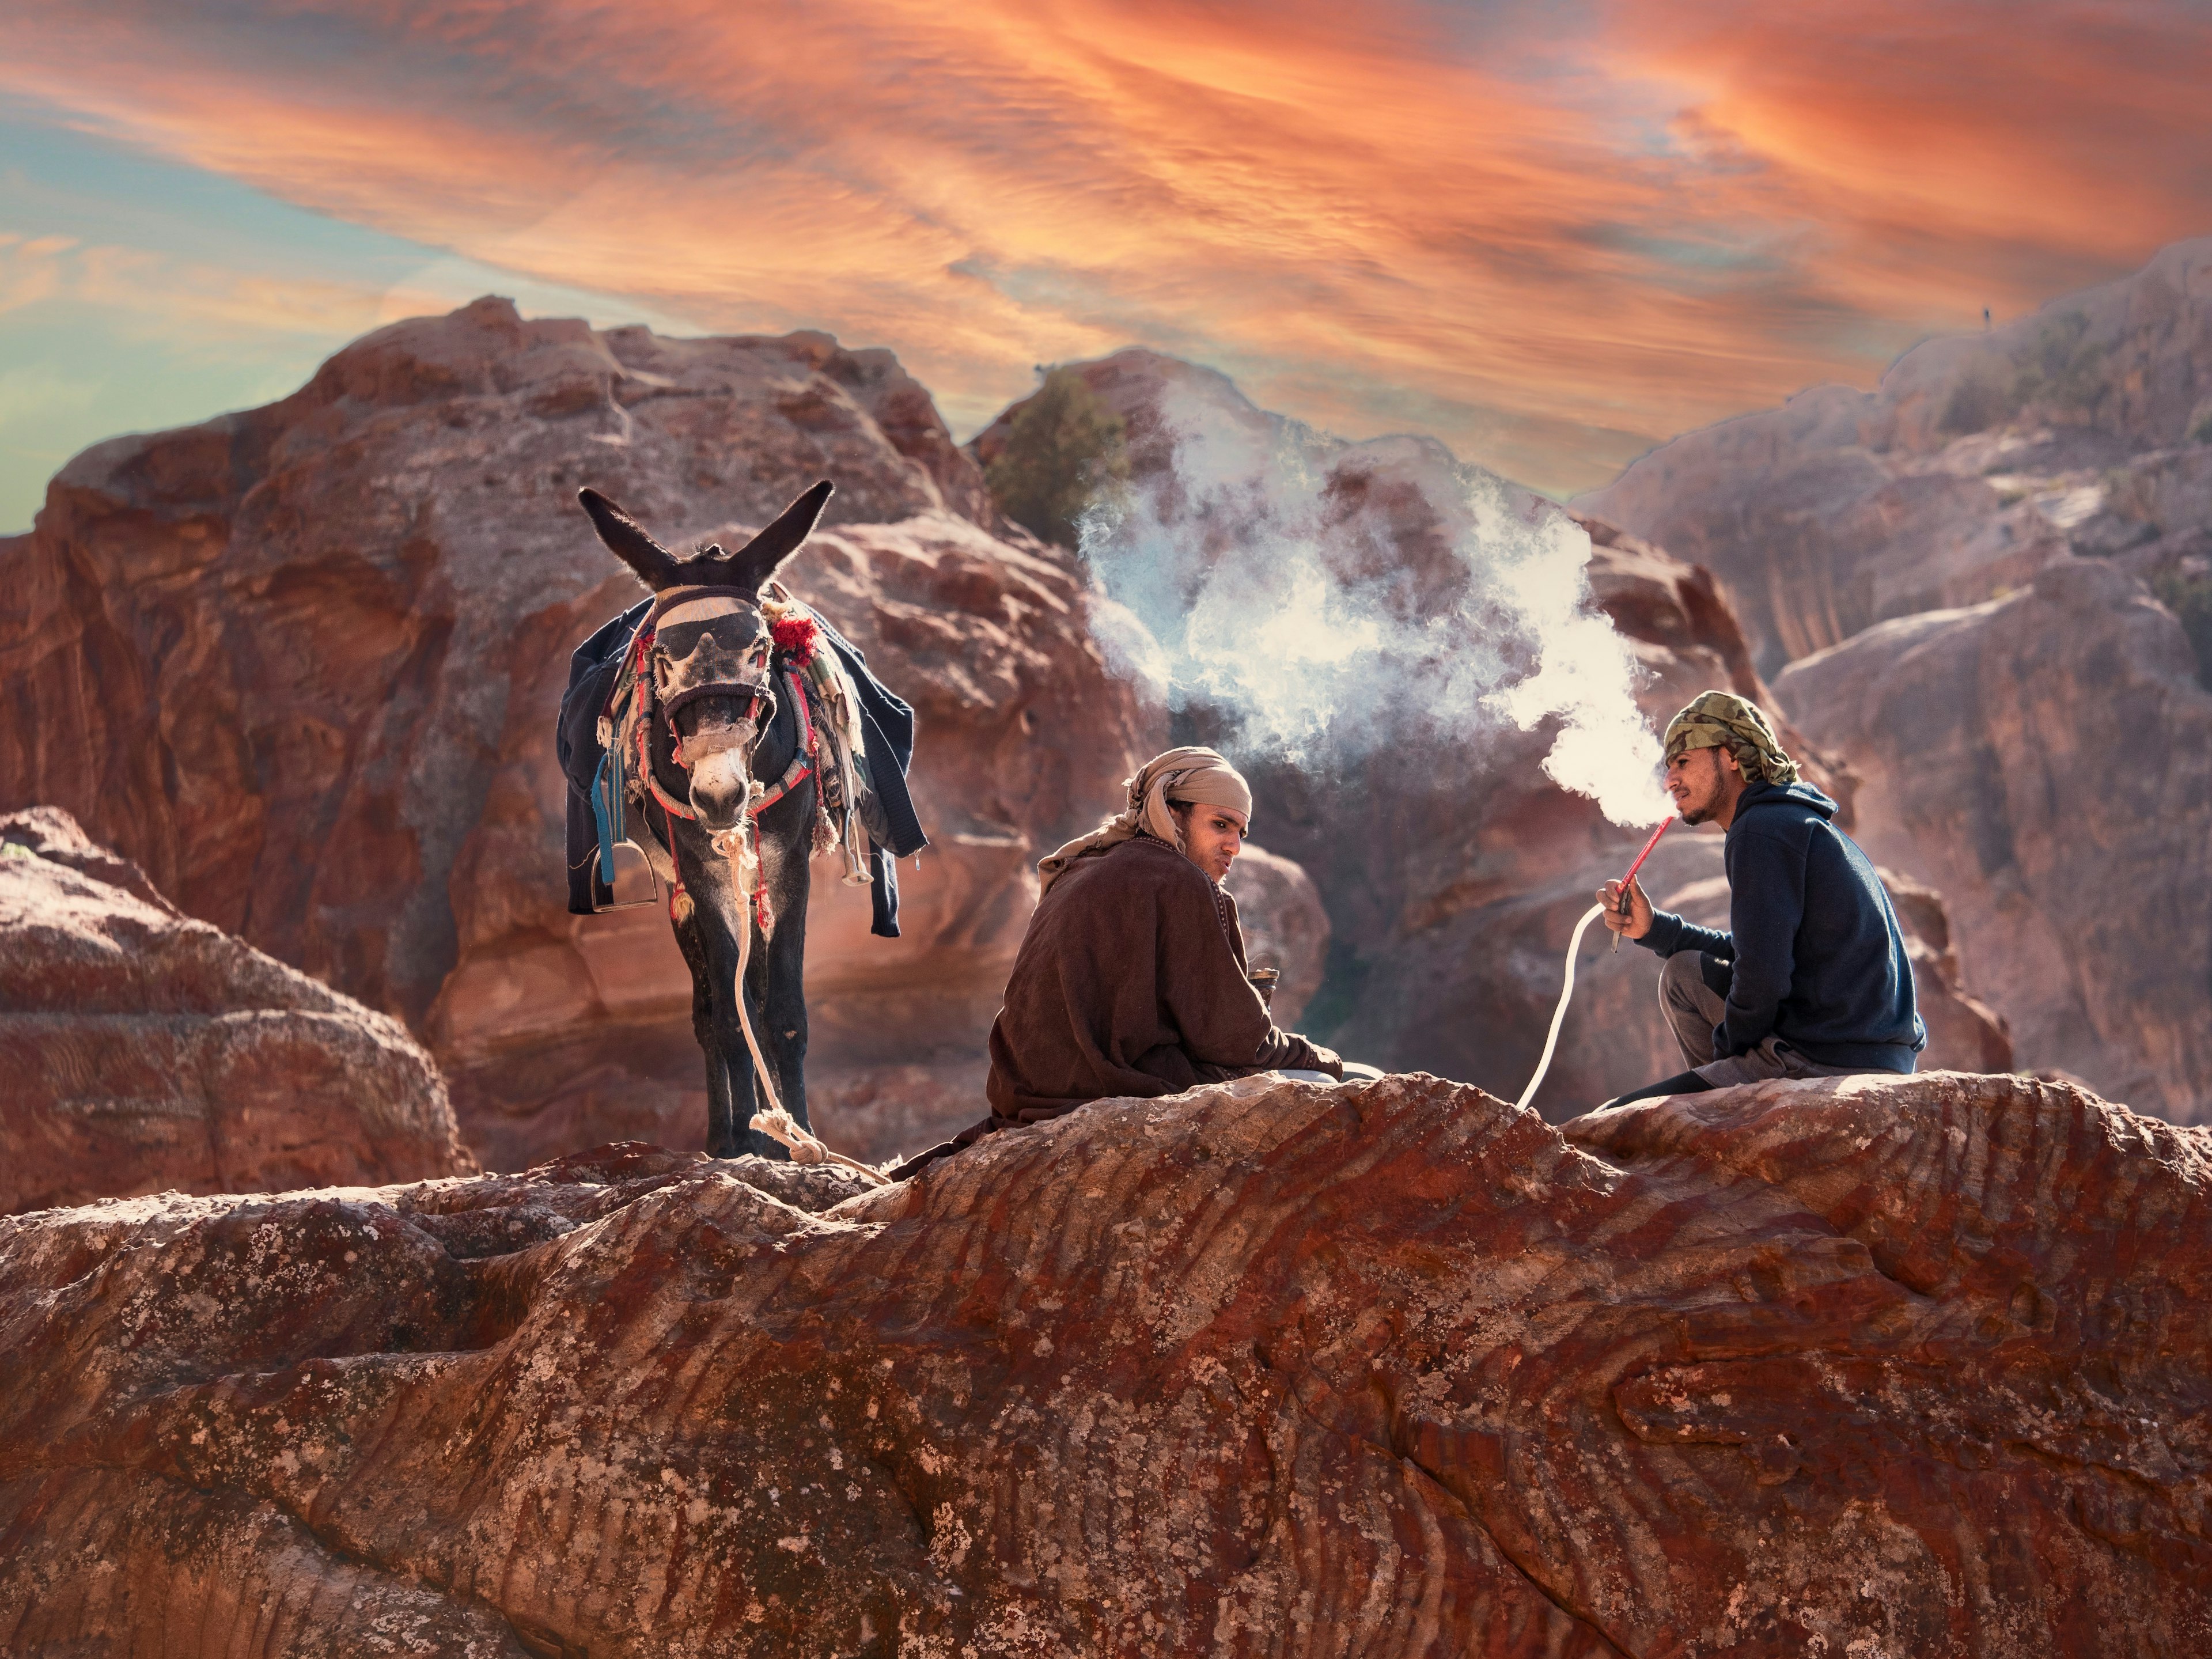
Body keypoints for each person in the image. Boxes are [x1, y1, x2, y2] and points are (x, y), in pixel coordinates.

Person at [891, 746, 1347, 1179]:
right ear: (1172, 812)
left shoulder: (1083, 866)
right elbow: (1235, 1040)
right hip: (1107, 1085)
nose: (1234, 846)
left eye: (1240, 833)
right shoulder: (1178, 880)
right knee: (1320, 1085)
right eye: (1221, 825)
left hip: (1027, 1095)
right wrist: (1314, 1055)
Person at [1597, 692, 1925, 1106]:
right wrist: (1654, 929)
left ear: (1730, 755)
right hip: (1873, 1051)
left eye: (1683, 762)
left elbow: (1762, 978)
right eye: (1668, 768)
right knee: (1683, 973)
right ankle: (1731, 1103)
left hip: (1825, 1057)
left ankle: (1732, 1115)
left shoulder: (1760, 831)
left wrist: (1722, 1065)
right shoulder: (1790, 821)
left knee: (1616, 1120)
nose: (1670, 780)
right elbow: (1754, 952)